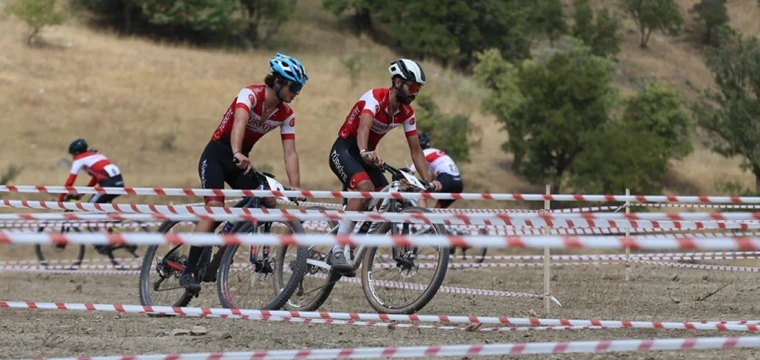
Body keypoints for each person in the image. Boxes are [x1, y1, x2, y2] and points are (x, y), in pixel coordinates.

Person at [179, 53, 308, 291]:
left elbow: (290, 152)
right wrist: (237, 152)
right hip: (217, 156)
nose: (297, 92)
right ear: (278, 82)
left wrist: (295, 187)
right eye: (294, 86)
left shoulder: (286, 114)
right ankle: (189, 271)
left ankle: (224, 246)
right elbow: (239, 122)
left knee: (267, 198)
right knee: (215, 208)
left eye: (300, 88)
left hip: (241, 163)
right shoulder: (250, 95)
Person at [327, 58, 442, 275]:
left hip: (368, 156)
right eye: (413, 87)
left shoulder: (406, 113)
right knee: (366, 189)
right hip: (346, 150)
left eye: (419, 89)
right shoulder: (374, 98)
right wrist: (364, 151)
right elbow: (363, 129)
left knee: (382, 200)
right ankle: (337, 249)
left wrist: (428, 181)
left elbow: (416, 150)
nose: (415, 93)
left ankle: (351, 245)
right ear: (398, 82)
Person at [60, 138, 125, 254]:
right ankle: (112, 230)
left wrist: (60, 199)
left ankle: (106, 241)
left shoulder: (79, 159)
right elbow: (96, 177)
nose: (72, 158)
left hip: (108, 185)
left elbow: (70, 182)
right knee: (97, 210)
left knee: (89, 211)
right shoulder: (95, 154)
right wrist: (83, 192)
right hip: (118, 183)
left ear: (76, 153)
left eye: (72, 155)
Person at [408, 132, 464, 209]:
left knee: (422, 195)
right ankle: (436, 220)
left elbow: (410, 172)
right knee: (439, 210)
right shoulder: (436, 151)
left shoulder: (424, 153)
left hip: (447, 179)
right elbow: (432, 177)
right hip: (458, 183)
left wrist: (404, 183)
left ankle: (422, 219)